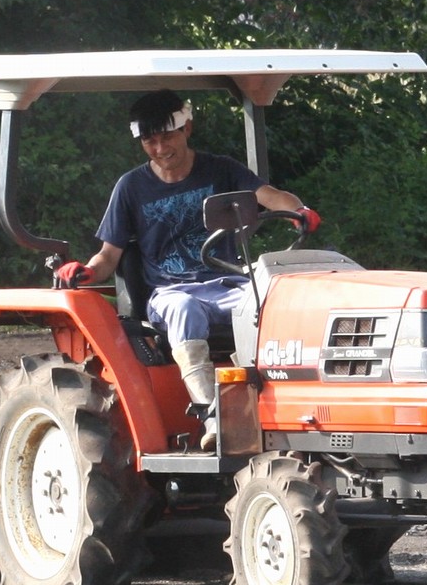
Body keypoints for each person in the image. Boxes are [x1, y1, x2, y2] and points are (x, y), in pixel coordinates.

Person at [57, 90, 317, 446]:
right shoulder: (130, 187)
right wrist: (84, 271)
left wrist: (298, 210)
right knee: (183, 309)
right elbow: (108, 257)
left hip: (227, 283)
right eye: (150, 140)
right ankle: (212, 416)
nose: (160, 148)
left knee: (271, 297)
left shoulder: (222, 170)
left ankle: (282, 407)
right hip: (171, 292)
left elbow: (269, 196)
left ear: (187, 129)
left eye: (167, 137)